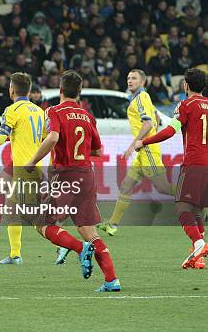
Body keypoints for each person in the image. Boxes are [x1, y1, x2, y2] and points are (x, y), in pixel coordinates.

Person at [26, 70, 120, 292]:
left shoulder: (54, 111)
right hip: (87, 175)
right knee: (91, 231)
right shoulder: (88, 116)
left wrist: (32, 161)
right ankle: (111, 280)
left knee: (42, 224)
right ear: (79, 93)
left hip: (66, 175)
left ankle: (79, 249)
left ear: (60, 90)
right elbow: (97, 150)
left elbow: (53, 137)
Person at [134, 68, 208, 269]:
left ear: (186, 85)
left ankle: (199, 244)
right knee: (197, 208)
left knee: (182, 206)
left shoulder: (186, 105)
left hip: (194, 164)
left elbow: (169, 131)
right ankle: (198, 257)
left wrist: (145, 141)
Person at [98, 70, 174, 236]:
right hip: (143, 151)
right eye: (128, 78)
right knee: (126, 185)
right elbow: (155, 119)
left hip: (148, 149)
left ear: (142, 82)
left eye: (134, 78)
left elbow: (147, 124)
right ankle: (112, 224)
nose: (130, 81)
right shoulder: (143, 98)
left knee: (164, 188)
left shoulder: (140, 98)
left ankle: (199, 198)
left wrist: (133, 144)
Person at [0, 72, 46, 265]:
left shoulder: (12, 110)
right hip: (36, 165)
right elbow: (42, 138)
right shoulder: (38, 111)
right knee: (14, 208)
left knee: (32, 216)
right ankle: (14, 254)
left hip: (24, 167)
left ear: (12, 89)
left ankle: (67, 247)